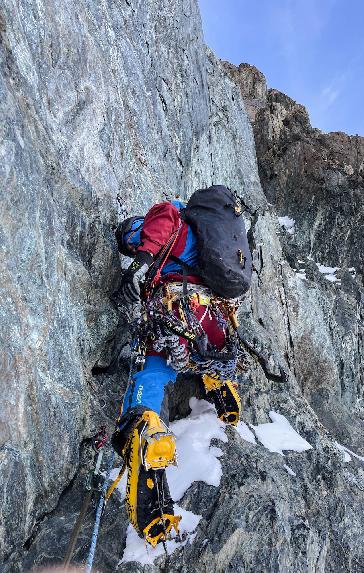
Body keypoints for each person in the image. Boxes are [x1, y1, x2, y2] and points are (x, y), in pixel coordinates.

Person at [111, 191, 247, 547]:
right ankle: (220, 385)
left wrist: (137, 259)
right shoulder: (213, 240)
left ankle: (147, 428)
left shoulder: (173, 219)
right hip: (214, 316)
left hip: (176, 306)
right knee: (204, 352)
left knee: (153, 368)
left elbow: (161, 222)